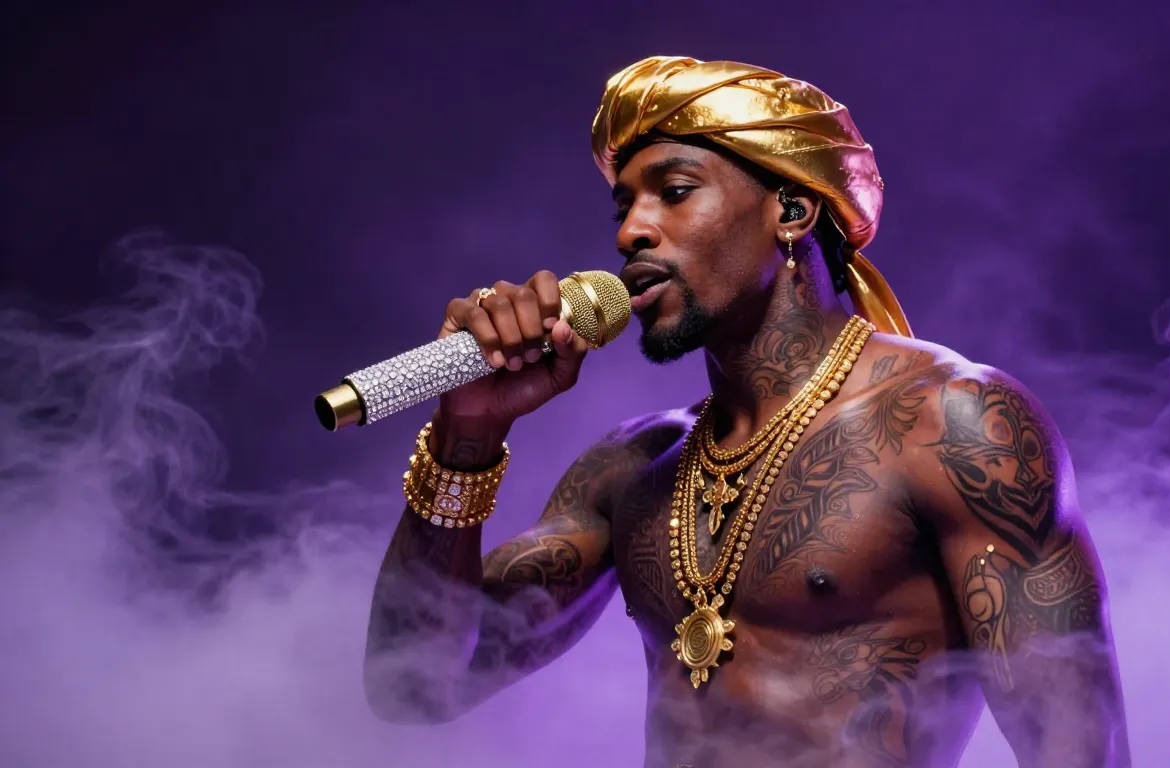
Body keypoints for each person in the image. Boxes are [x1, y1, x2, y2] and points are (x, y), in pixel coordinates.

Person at [363, 56, 1130, 768]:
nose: (630, 232)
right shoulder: (633, 470)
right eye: (624, 205)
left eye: (673, 191)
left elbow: (1078, 752)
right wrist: (467, 435)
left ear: (790, 210)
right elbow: (415, 685)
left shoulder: (955, 425)